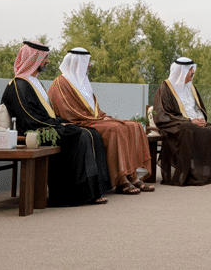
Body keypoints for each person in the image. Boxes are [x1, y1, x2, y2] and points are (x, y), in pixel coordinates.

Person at [0, 41, 111, 206]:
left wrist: (59, 123)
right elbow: (30, 118)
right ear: (34, 59)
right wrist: (57, 126)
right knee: (80, 135)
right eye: (45, 58)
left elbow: (46, 113)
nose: (48, 61)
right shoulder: (19, 85)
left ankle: (94, 190)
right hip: (36, 132)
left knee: (92, 133)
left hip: (47, 127)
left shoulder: (33, 82)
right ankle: (72, 194)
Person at [48, 47, 154, 195]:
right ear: (77, 62)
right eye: (87, 62)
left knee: (133, 126)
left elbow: (94, 108)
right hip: (79, 122)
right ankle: (120, 180)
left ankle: (133, 175)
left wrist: (101, 117)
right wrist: (93, 118)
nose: (89, 65)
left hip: (94, 119)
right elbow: (66, 111)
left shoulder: (83, 81)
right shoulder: (59, 84)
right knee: (114, 130)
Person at [152, 57, 211, 186]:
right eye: (190, 69)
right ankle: (187, 175)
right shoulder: (166, 88)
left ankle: (202, 173)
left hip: (191, 122)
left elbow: (197, 108)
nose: (193, 72)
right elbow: (163, 113)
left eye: (192, 69)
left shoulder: (190, 88)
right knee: (188, 130)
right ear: (181, 71)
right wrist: (190, 121)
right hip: (174, 124)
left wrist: (200, 119)